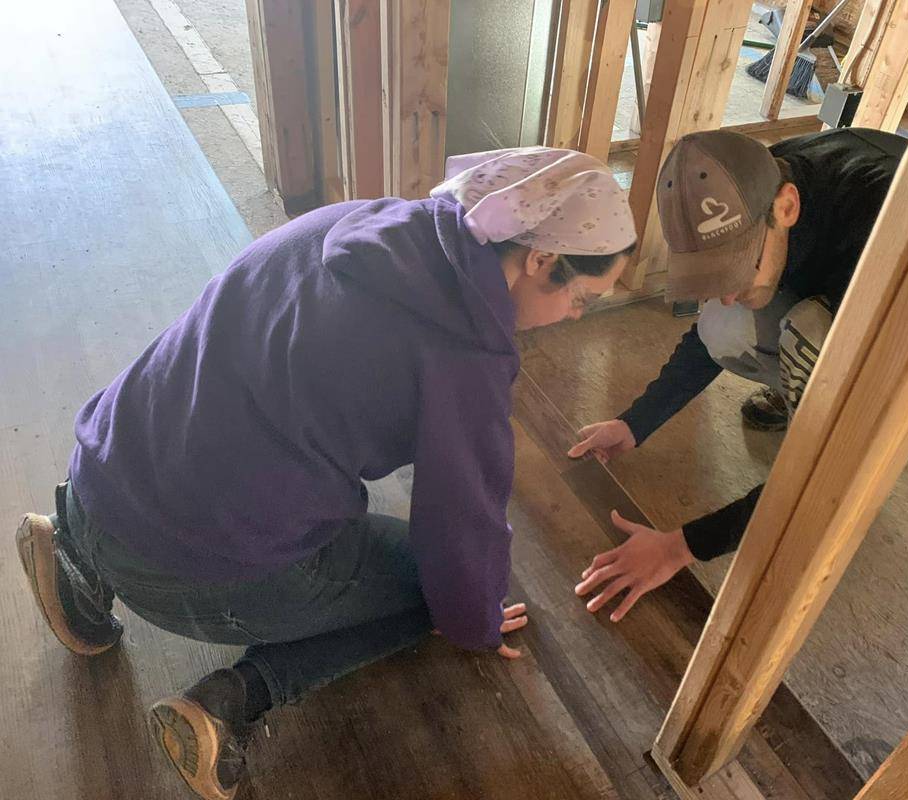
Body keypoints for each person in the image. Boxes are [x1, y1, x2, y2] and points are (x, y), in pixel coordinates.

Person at [15, 147, 636, 800]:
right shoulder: (465, 353)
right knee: (439, 590)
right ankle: (232, 702)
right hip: (192, 570)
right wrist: (475, 620)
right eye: (582, 299)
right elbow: (461, 528)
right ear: (539, 261)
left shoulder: (361, 221)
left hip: (101, 476)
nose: (574, 317)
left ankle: (72, 555)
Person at [568, 128, 908, 622]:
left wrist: (680, 548)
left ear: (787, 207)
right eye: (713, 274)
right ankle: (806, 378)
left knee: (810, 344)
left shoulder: (897, 238)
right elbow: (711, 334)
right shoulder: (760, 184)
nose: (727, 290)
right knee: (726, 322)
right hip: (843, 297)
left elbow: (831, 466)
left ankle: (813, 387)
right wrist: (636, 423)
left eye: (736, 268)